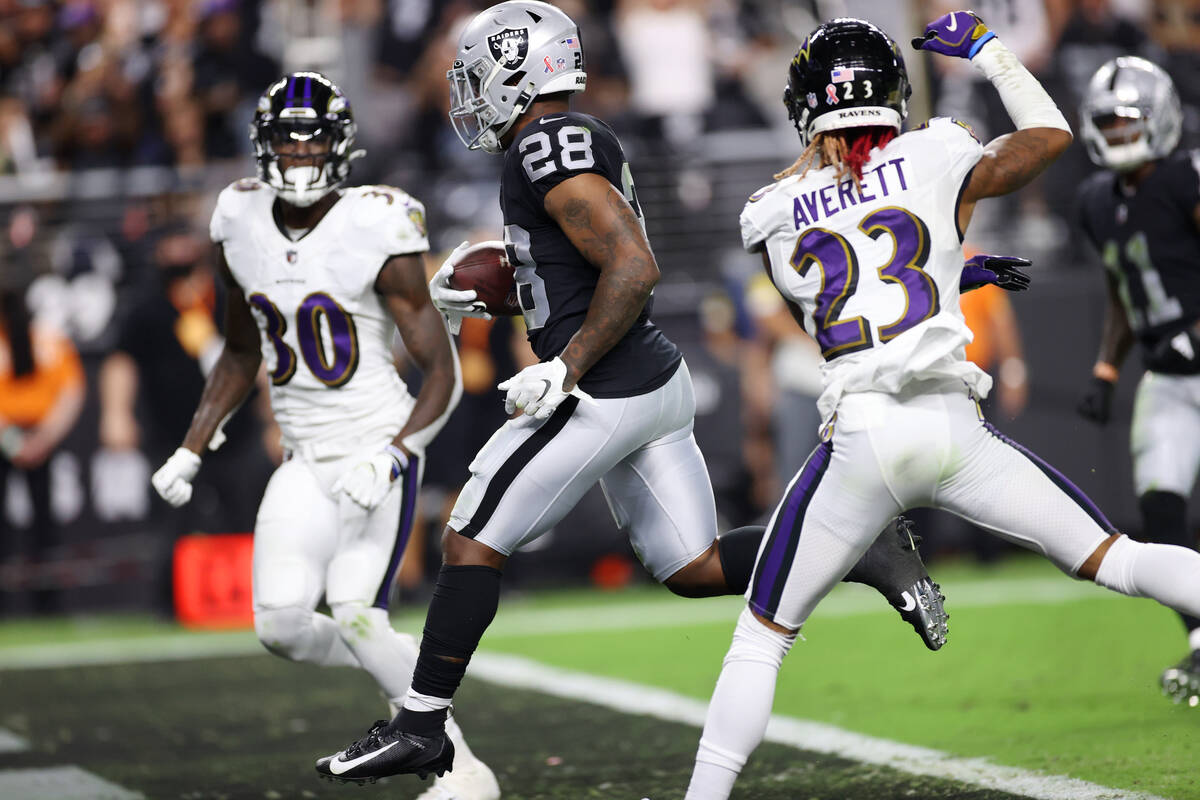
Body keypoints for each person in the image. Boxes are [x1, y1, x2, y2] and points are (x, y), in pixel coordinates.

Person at [314, 1, 948, 784]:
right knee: (694, 565)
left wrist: (565, 366)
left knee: (471, 536)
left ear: (519, 71)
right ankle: (859, 548)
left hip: (603, 389)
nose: (470, 93)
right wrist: (502, 289)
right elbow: (583, 268)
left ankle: (421, 725)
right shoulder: (558, 142)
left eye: (479, 75)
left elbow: (634, 265)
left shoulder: (544, 144)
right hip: (648, 379)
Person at [681, 13, 1200, 799]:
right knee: (1118, 559)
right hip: (957, 431)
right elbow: (1048, 134)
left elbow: (837, 319)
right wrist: (990, 51)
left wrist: (950, 262)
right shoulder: (938, 150)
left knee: (760, 639)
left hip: (862, 440)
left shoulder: (771, 211)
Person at [148, 71, 500, 799]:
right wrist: (191, 444)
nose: (300, 154)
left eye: (313, 142)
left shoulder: (377, 221)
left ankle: (459, 765)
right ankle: (405, 670)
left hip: (374, 440)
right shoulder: (238, 219)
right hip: (305, 458)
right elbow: (242, 351)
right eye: (286, 140)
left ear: (339, 148)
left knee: (354, 609)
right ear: (263, 147)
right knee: (279, 626)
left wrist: (396, 453)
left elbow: (439, 369)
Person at [1073, 56, 1200, 706]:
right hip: (1169, 374)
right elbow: (1122, 290)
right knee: (1160, 509)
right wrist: (1105, 367)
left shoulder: (1186, 178)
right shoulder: (1096, 201)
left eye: (1130, 122)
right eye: (1109, 125)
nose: (1120, 135)